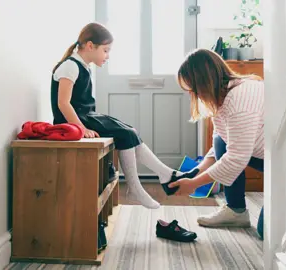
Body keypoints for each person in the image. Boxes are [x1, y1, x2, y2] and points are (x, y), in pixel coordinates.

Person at [50, 22, 197, 209]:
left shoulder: (82, 65)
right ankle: (137, 187)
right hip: (74, 121)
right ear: (89, 46)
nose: (107, 56)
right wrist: (82, 128)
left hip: (85, 116)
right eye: (105, 50)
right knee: (126, 134)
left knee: (130, 131)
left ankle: (165, 173)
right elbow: (63, 103)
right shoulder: (70, 66)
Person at [168, 48, 264, 239]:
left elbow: (236, 158)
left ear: (204, 83)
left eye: (192, 89)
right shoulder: (223, 98)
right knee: (220, 140)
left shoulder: (240, 99)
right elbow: (218, 147)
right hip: (264, 155)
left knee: (268, 232)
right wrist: (194, 172)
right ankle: (236, 211)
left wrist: (194, 184)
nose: (192, 95)